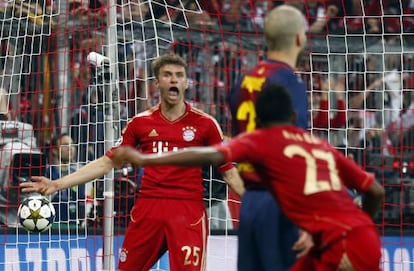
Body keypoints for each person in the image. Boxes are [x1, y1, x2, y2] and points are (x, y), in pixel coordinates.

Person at [110, 84, 385, 271]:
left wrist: (146, 159)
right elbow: (375, 191)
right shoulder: (319, 145)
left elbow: (209, 155)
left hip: (338, 244)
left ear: (258, 121)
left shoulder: (262, 140)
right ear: (293, 115)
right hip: (362, 236)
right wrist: (362, 223)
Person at [21, 53, 245, 271]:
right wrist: (57, 184)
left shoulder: (206, 124)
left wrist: (258, 201)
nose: (174, 79)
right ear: (157, 83)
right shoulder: (141, 123)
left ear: (186, 82)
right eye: (167, 75)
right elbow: (107, 162)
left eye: (179, 75)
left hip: (188, 211)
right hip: (149, 209)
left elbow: (229, 172)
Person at [227, 4, 309, 270]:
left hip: (250, 203)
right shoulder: (288, 83)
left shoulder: (242, 80)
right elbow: (297, 150)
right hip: (282, 203)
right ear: (299, 38)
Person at [46, 133, 92, 226]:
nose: (70, 148)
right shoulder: (46, 173)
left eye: (72, 145)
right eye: (65, 145)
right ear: (54, 150)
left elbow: (89, 201)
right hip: (51, 226)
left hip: (76, 226)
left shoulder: (82, 173)